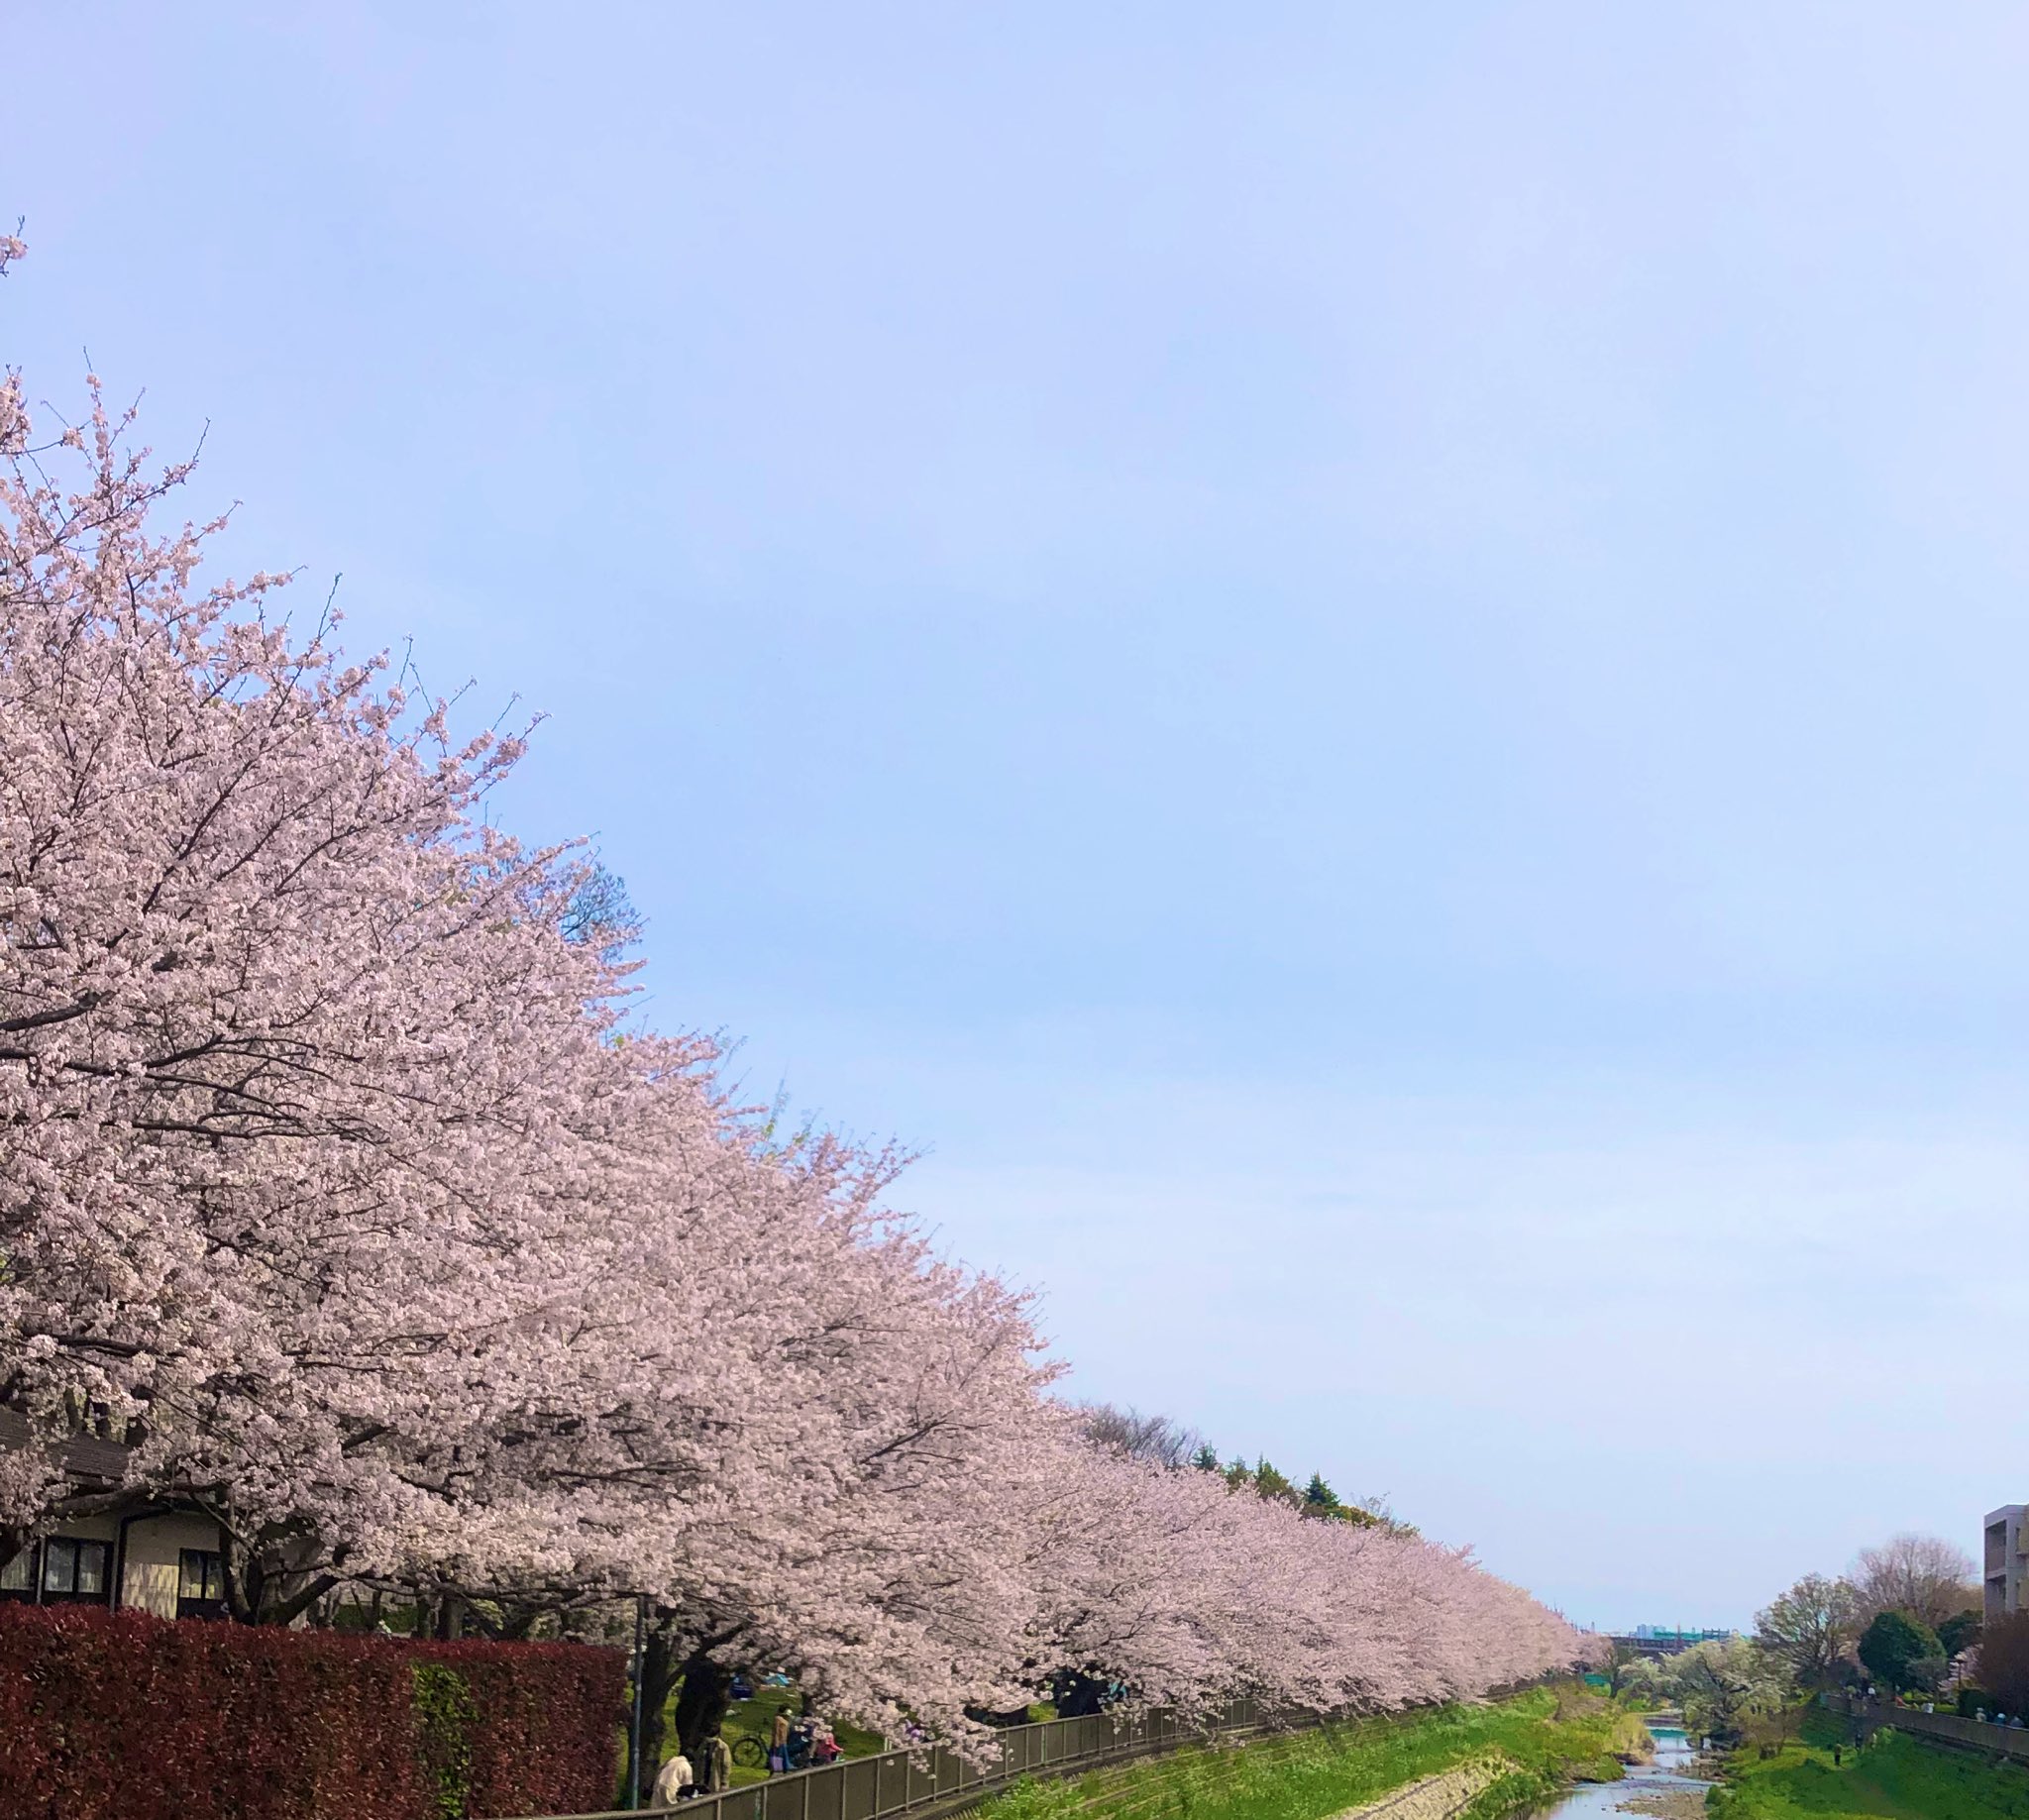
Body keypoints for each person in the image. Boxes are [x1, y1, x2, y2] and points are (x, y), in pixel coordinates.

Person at [769, 1708, 792, 1775]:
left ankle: (785, 1770)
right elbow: (776, 1731)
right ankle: (776, 1770)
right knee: (777, 1756)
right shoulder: (778, 1719)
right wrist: (776, 1741)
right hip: (779, 1742)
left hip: (783, 1741)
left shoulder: (785, 1720)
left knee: (783, 1757)